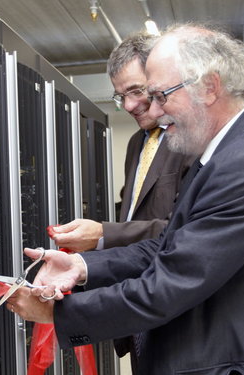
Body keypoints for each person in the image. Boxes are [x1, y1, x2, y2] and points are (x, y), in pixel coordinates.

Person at [7, 23, 244, 374]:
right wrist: (84, 267)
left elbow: (172, 282)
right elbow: (168, 245)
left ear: (209, 87)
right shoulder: (224, 155)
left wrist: (59, 313)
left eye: (162, 95)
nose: (157, 111)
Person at [49, 31, 194, 253]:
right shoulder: (136, 143)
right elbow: (134, 215)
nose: (128, 106)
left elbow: (184, 228)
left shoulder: (191, 140)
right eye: (121, 96)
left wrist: (103, 234)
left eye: (136, 91)